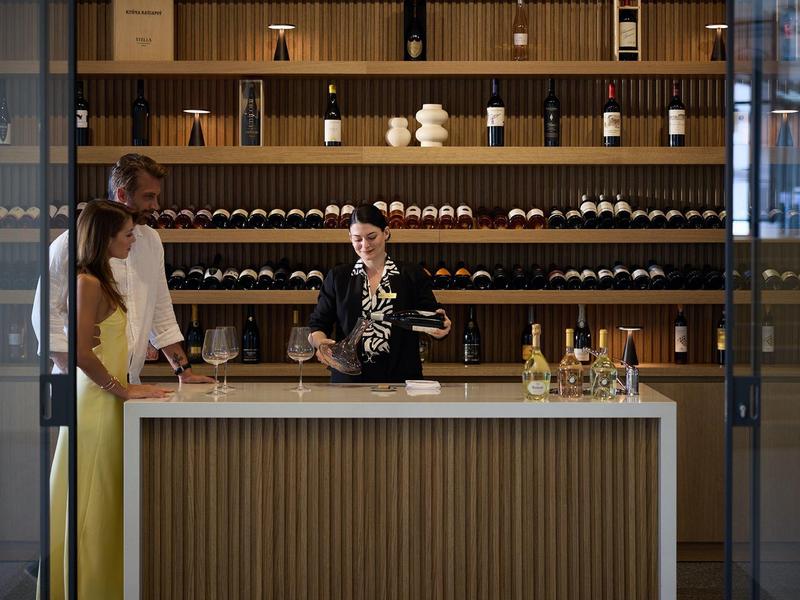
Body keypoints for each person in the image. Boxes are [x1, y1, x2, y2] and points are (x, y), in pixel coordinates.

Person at [38, 200, 171, 600]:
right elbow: (78, 351)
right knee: (95, 499)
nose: (134, 239)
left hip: (103, 400)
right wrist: (121, 388)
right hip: (96, 403)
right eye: (127, 234)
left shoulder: (97, 278)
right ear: (105, 238)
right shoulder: (88, 282)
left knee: (104, 497)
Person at [31, 153, 213, 385]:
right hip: (80, 387)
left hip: (128, 383)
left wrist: (183, 372)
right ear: (121, 194)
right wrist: (84, 380)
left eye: (156, 197)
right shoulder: (68, 245)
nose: (156, 206)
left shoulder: (150, 241)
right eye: (148, 197)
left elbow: (160, 311)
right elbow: (46, 320)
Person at [308, 204, 451, 382]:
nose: (365, 245)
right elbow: (318, 324)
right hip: (349, 382)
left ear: (386, 232)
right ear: (349, 238)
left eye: (371, 237)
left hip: (401, 380)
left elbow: (434, 317)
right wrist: (321, 343)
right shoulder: (338, 277)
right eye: (357, 239)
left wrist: (441, 326)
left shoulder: (411, 274)